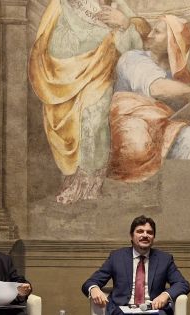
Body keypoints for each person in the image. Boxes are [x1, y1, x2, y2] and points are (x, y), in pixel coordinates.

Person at [28, 0, 144, 203]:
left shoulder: (116, 5)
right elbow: (55, 45)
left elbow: (135, 49)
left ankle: (89, 184)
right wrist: (102, 36)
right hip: (64, 79)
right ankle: (73, 180)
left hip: (100, 76)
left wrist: (124, 24)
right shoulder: (64, 4)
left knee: (94, 121)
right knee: (74, 128)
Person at [107, 15, 190, 182]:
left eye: (157, 32)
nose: (149, 35)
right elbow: (156, 87)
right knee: (138, 138)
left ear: (172, 41)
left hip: (162, 130)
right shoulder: (132, 58)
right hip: (131, 129)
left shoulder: (180, 78)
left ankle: (187, 192)